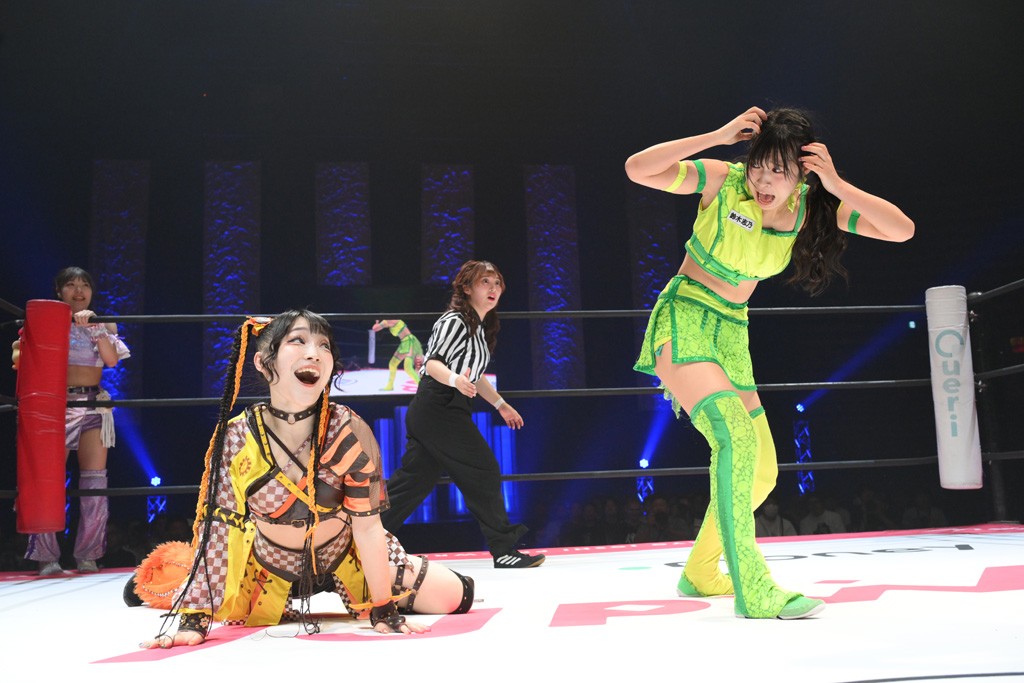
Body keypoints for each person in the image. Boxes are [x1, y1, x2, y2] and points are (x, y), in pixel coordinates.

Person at [626, 106, 914, 618]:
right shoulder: (724, 180)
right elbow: (637, 169)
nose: (763, 180)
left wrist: (836, 183)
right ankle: (754, 589)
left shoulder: (810, 208)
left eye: (779, 170)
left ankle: (700, 571)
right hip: (685, 317)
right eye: (759, 165)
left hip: (732, 332)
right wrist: (716, 136)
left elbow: (901, 230)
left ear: (802, 172)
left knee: (762, 471)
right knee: (735, 440)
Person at [136, 310, 474, 648]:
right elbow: (220, 528)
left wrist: (384, 607)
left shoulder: (347, 429)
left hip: (345, 555)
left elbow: (368, 527)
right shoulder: (237, 437)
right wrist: (195, 617)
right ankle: (177, 575)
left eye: (323, 345)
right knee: (180, 585)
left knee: (457, 596)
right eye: (297, 341)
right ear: (263, 362)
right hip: (267, 566)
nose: (314, 353)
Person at [380, 260, 545, 569]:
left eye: (497, 283)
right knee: (483, 470)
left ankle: (357, 542)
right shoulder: (454, 321)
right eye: (485, 282)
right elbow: (431, 363)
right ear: (467, 288)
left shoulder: (481, 328)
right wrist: (455, 380)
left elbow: (476, 375)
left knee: (412, 483)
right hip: (438, 406)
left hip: (443, 408)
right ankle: (504, 549)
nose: (493, 288)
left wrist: (500, 404)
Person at [13, 266, 130, 575]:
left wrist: (95, 328)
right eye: (71, 285)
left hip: (93, 405)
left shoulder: (103, 322)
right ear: (59, 290)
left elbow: (111, 360)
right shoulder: (47, 321)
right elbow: (22, 357)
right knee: (47, 479)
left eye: (84, 285)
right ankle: (46, 557)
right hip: (56, 407)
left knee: (94, 482)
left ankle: (88, 555)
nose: (79, 291)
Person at [370, 319, 425, 391]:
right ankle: (390, 386)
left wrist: (377, 322)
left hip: (409, 342)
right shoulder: (389, 320)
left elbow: (375, 328)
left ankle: (422, 387)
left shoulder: (389, 320)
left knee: (407, 368)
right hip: (405, 342)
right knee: (393, 364)